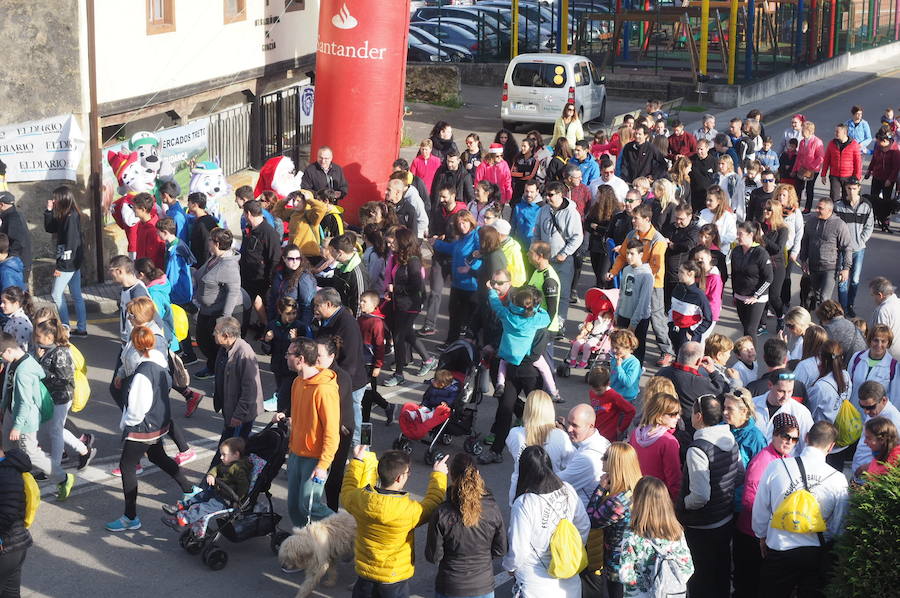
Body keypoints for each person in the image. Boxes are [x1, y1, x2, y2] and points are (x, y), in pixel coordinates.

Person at [105, 326, 198, 532]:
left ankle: (130, 517)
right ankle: (190, 488)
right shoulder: (161, 364)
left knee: (127, 466)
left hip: (142, 428)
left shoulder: (141, 374)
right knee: (158, 456)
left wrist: (127, 425)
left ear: (135, 347)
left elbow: (137, 407)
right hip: (159, 423)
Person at [751, 421, 849, 598]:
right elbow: (838, 525)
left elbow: (760, 508)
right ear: (832, 446)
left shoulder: (776, 467)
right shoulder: (839, 479)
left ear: (806, 438)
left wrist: (762, 535)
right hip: (815, 553)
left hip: (779, 549)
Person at [343, 445, 448, 598]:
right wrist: (439, 475)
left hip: (365, 574)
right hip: (394, 578)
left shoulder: (358, 499)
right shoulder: (409, 511)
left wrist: (357, 461)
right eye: (408, 472)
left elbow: (347, 488)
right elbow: (433, 504)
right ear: (399, 478)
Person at [678, 395, 744, 598]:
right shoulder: (730, 438)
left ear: (698, 416)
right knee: (721, 575)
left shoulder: (697, 449)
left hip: (701, 526)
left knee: (701, 581)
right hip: (724, 519)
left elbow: (700, 496)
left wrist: (682, 504)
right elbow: (739, 474)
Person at [502, 445, 590, 598]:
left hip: (535, 581)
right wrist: (570, 550)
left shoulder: (524, 503)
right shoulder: (567, 490)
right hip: (568, 578)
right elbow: (584, 525)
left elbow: (519, 548)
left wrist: (510, 566)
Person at [0, 330, 75, 501]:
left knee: (31, 454)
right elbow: (8, 389)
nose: (2, 360)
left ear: (9, 351)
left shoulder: (24, 371)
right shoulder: (15, 362)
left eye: (1, 355)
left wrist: (17, 426)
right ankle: (13, 487)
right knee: (9, 451)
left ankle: (63, 478)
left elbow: (25, 403)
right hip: (12, 413)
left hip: (25, 420)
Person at [479, 286, 550, 464]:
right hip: (515, 371)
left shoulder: (534, 326)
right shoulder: (537, 320)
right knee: (505, 409)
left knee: (536, 413)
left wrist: (515, 355)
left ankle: (542, 452)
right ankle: (496, 451)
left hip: (529, 374)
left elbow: (536, 352)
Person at [274, 338, 340, 528]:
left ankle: (345, 534)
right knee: (294, 506)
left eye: (289, 354)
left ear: (300, 359)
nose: (286, 357)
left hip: (314, 459)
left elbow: (331, 431)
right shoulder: (297, 382)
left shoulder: (323, 390)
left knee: (310, 506)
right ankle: (306, 545)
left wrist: (323, 465)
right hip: (296, 454)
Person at [734, 412, 800, 598]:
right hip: (752, 534)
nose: (789, 442)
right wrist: (761, 533)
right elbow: (750, 500)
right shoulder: (763, 460)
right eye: (785, 436)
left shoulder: (784, 459)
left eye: (794, 439)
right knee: (748, 585)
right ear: (775, 434)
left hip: (766, 533)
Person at [426, 453, 506, 598]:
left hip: (450, 586)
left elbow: (434, 556)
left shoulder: (442, 513)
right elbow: (500, 549)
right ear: (478, 474)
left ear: (451, 476)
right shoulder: (492, 508)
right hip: (483, 587)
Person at [607, 204, 673, 366]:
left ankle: (667, 351)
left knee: (656, 318)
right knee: (630, 310)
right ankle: (625, 350)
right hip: (633, 277)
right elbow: (622, 256)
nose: (633, 220)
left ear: (647, 219)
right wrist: (613, 272)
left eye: (636, 218)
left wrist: (641, 274)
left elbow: (656, 266)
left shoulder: (657, 239)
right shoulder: (631, 234)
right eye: (632, 217)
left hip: (652, 282)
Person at [34, 320, 95, 475]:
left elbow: (64, 379)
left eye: (39, 335)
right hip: (49, 398)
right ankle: (83, 450)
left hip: (60, 398)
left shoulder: (60, 352)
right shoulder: (45, 349)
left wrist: (41, 368)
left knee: (55, 431)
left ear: (49, 337)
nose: (36, 338)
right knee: (53, 430)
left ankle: (54, 468)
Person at [617, 476, 694, 598]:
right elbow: (688, 568)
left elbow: (625, 575)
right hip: (670, 593)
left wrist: (648, 589)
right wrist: (665, 585)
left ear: (639, 503)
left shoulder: (632, 536)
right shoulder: (676, 532)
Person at [586, 442, 643, 598]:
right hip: (638, 562)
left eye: (605, 457)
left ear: (614, 464)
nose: (601, 458)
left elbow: (591, 520)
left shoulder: (618, 502)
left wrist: (600, 489)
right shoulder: (640, 490)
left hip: (618, 566)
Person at [313, 288, 369, 444]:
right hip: (337, 378)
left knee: (354, 416)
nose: (315, 308)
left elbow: (350, 361)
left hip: (350, 382)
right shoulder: (328, 320)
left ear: (329, 304)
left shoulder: (346, 324)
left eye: (318, 305)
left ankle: (362, 448)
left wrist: (338, 385)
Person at [161, 436, 252, 532]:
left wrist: (238, 501)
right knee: (200, 496)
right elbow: (216, 468)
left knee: (204, 507)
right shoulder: (228, 463)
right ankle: (181, 506)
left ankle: (184, 519)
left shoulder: (239, 469)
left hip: (226, 499)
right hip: (219, 491)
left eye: (224, 455)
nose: (221, 457)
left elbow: (243, 486)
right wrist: (211, 475)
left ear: (236, 455)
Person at [383, 228, 435, 387]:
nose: (391, 244)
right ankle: (428, 359)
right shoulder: (398, 257)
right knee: (407, 334)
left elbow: (416, 286)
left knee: (398, 337)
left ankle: (399, 373)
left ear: (404, 242)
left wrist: (396, 289)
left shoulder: (413, 261)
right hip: (398, 303)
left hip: (410, 305)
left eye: (395, 241)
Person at [505, 390, 574, 506]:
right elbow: (571, 462)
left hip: (521, 493)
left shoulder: (515, 434)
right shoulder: (560, 436)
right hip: (551, 494)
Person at [533, 182, 583, 337]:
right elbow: (537, 232)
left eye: (551, 195)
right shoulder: (543, 211)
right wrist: (536, 250)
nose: (547, 198)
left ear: (560, 195)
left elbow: (577, 237)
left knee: (562, 293)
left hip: (562, 260)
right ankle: (543, 321)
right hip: (544, 260)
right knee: (542, 291)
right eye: (546, 195)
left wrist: (565, 253)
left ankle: (559, 324)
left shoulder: (571, 213)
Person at [192, 227, 241, 379]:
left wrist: (224, 319)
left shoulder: (229, 265)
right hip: (205, 309)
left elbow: (233, 291)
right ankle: (212, 366)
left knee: (216, 345)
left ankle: (221, 374)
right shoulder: (215, 257)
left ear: (217, 243)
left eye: (210, 240)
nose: (208, 242)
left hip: (217, 312)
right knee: (202, 340)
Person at [657, 341, 729, 438]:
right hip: (687, 431)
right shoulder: (698, 382)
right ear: (699, 361)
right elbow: (721, 389)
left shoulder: (661, 373)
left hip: (660, 424)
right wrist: (713, 372)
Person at [432, 210, 481, 344]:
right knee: (454, 316)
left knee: (468, 320)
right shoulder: (462, 238)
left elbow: (481, 254)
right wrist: (436, 243)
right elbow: (453, 248)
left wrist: (470, 268)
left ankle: (466, 348)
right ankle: (451, 343)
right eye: (459, 223)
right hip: (457, 283)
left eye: (464, 222)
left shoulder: (476, 235)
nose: (461, 226)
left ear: (470, 222)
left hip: (470, 285)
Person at [43, 185, 87, 336]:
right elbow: (50, 228)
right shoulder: (66, 215)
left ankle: (65, 327)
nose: (53, 200)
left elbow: (71, 244)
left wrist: (60, 266)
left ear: (63, 199)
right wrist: (48, 211)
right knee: (76, 295)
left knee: (56, 294)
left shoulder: (71, 217)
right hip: (73, 262)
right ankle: (81, 328)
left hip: (68, 263)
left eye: (55, 198)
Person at [155, 217, 197, 361]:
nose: (157, 235)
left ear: (165, 232)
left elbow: (172, 275)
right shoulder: (179, 244)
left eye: (158, 232)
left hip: (177, 292)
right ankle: (186, 351)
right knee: (181, 321)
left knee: (178, 322)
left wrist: (166, 290)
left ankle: (188, 353)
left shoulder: (174, 251)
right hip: (183, 290)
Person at [239, 199, 281, 335]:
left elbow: (274, 258)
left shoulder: (269, 233)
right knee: (256, 303)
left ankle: (245, 332)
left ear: (249, 213)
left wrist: (270, 280)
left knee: (248, 305)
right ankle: (264, 326)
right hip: (248, 276)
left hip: (260, 279)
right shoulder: (250, 230)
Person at [630, 391, 682, 500]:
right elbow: (674, 478)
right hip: (659, 497)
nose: (677, 417)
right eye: (673, 414)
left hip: (638, 492)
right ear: (659, 416)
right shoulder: (668, 442)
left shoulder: (635, 434)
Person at [559, 403, 612, 507]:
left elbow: (553, 484)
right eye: (569, 423)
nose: (569, 429)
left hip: (581, 515)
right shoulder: (602, 441)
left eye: (575, 425)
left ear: (591, 426)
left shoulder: (587, 458)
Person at [833, 178, 872, 317]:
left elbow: (869, 227)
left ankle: (850, 305)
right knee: (843, 280)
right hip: (843, 250)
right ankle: (843, 308)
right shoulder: (838, 205)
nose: (851, 191)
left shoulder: (866, 206)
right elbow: (834, 226)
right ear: (845, 189)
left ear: (859, 188)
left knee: (854, 280)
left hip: (859, 249)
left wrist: (860, 241)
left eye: (854, 188)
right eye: (849, 188)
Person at [730, 221, 773, 342]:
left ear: (751, 235)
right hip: (740, 296)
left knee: (750, 330)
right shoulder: (736, 251)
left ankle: (751, 358)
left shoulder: (761, 253)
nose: (737, 237)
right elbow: (734, 274)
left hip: (756, 298)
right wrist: (734, 293)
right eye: (737, 233)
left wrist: (756, 295)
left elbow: (769, 278)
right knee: (745, 329)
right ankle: (746, 356)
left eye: (740, 234)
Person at [752, 372, 815, 450]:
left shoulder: (801, 412)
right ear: (770, 385)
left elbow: (808, 446)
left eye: (790, 391)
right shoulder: (752, 404)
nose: (786, 397)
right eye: (781, 391)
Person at [851, 381, 900, 480]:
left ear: (884, 400)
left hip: (873, 479)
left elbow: (896, 457)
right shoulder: (875, 412)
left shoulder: (894, 420)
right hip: (860, 473)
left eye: (870, 407)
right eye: (863, 407)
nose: (866, 411)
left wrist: (870, 466)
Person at [0, 446, 32, 596]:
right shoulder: (8, 467)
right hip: (15, 546)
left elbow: (8, 512)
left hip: (7, 547)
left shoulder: (6, 474)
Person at [268, 244, 316, 338]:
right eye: (291, 258)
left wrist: (301, 329)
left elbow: (307, 306)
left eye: (298, 258)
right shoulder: (279, 274)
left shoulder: (304, 277)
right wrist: (271, 321)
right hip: (279, 320)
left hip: (294, 323)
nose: (295, 261)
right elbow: (273, 297)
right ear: (284, 259)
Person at [319, 233, 370, 318]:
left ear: (340, 253)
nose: (330, 254)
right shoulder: (342, 265)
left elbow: (359, 304)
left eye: (332, 251)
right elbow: (334, 282)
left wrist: (354, 325)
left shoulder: (357, 273)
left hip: (349, 319)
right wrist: (315, 279)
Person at [667, 262, 712, 352]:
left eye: (681, 272)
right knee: (678, 358)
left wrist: (692, 332)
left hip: (689, 336)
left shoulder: (699, 295)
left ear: (691, 274)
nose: (678, 274)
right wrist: (670, 324)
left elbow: (708, 319)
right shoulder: (677, 289)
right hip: (675, 331)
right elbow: (672, 308)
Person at [866, 130, 900, 232]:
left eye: (879, 141)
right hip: (877, 177)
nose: (877, 142)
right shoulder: (878, 148)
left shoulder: (895, 150)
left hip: (888, 180)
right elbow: (874, 160)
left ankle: (885, 220)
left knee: (886, 201)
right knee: (873, 199)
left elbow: (896, 168)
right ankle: (872, 219)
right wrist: (869, 170)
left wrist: (890, 179)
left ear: (885, 140)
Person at [820, 124, 862, 201]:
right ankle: (835, 212)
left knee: (847, 198)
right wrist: (823, 174)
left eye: (837, 131)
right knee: (834, 197)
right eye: (835, 131)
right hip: (834, 176)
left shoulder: (854, 144)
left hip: (848, 176)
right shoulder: (831, 143)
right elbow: (826, 160)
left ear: (844, 132)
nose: (835, 133)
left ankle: (846, 212)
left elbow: (858, 162)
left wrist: (857, 176)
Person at [791, 121, 824, 212]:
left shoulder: (817, 142)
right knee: (798, 188)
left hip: (812, 170)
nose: (801, 132)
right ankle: (796, 206)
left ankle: (807, 208)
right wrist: (795, 169)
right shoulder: (802, 142)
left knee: (809, 189)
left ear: (810, 131)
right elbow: (799, 157)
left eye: (804, 130)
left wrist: (811, 168)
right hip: (802, 169)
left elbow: (820, 158)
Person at [0, 192, 32, 279]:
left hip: (17, 264)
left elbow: (18, 242)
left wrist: (7, 257)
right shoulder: (13, 215)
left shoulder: (13, 218)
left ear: (1, 205)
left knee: (15, 291)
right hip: (17, 263)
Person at [869, 277, 900, 362]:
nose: (873, 299)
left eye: (873, 295)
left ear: (880, 295)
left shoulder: (883, 311)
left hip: (888, 358)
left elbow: (880, 337)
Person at [132, 193, 165, 269]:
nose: (133, 209)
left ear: (143, 209)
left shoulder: (154, 229)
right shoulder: (141, 224)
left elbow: (153, 257)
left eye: (135, 207)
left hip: (150, 271)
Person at [187, 192, 218, 267]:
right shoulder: (208, 218)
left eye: (189, 203)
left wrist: (204, 268)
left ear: (195, 205)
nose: (187, 205)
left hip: (202, 265)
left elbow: (206, 248)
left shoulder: (202, 224)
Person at [1, 287, 33, 352]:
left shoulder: (20, 325)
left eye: (4, 302)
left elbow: (23, 351)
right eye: (1, 302)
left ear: (16, 304)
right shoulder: (12, 319)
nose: (1, 305)